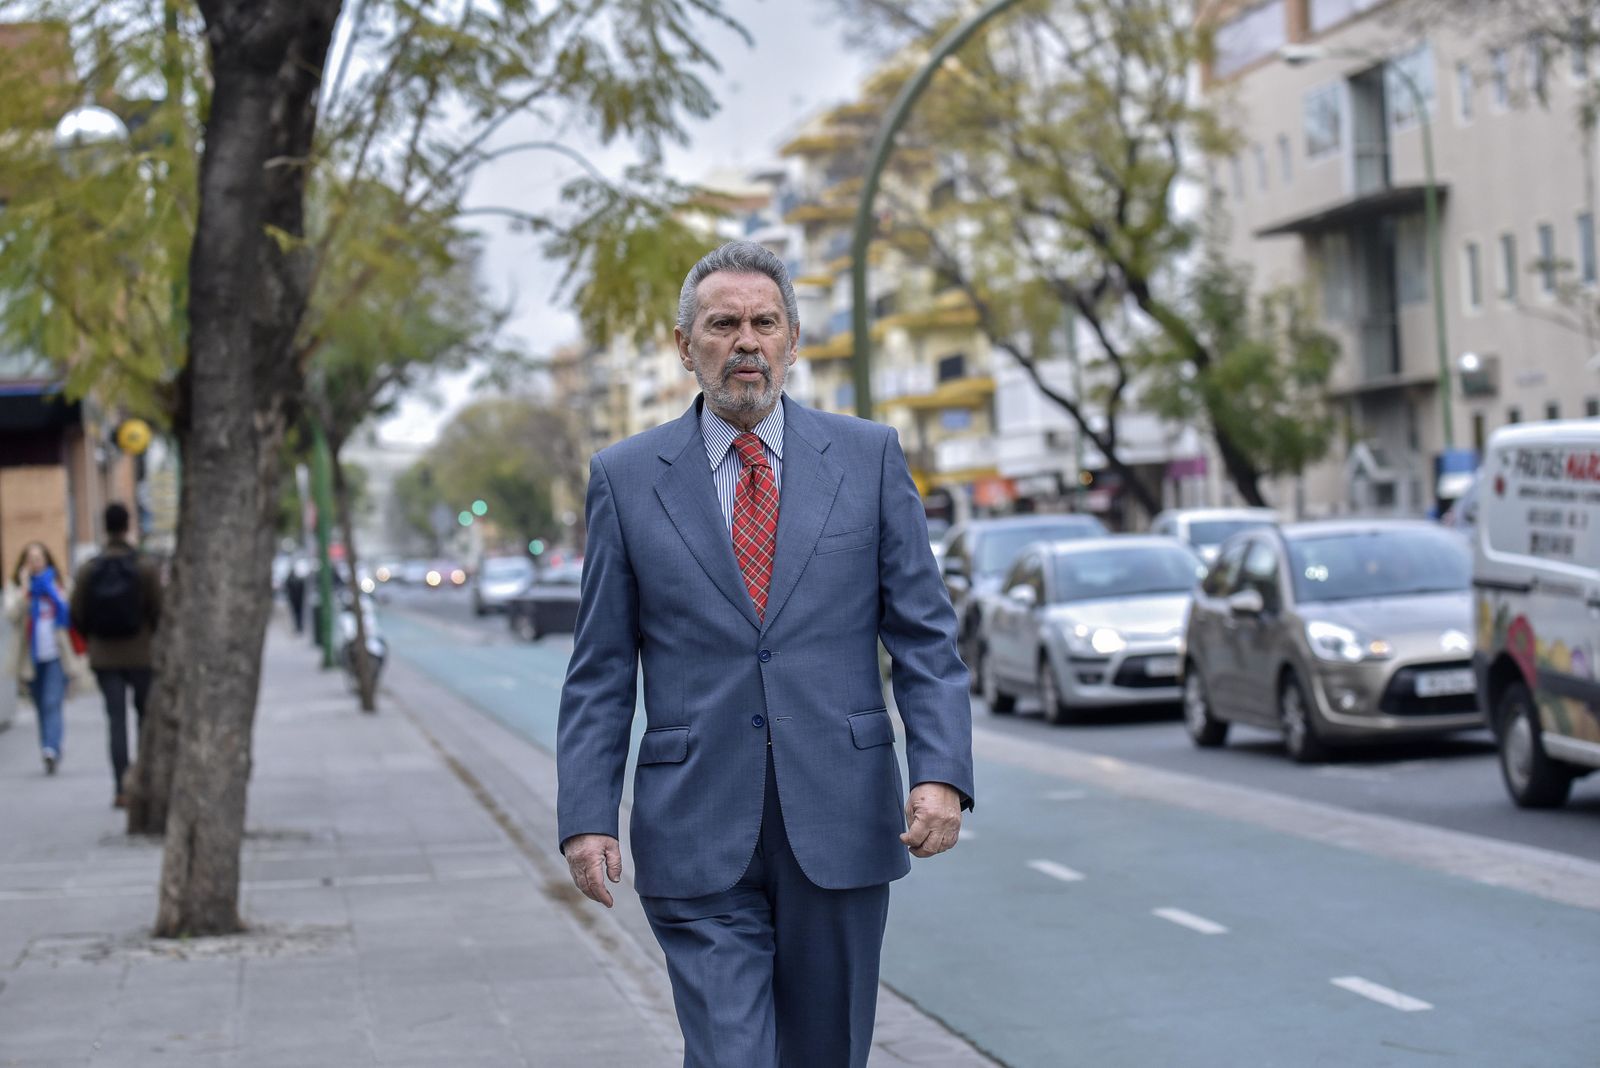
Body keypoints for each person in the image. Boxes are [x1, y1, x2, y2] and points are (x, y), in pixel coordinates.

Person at [557, 241, 974, 1067]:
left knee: (828, 1053)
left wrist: (941, 772)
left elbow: (925, 636)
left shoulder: (870, 458)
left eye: (764, 322)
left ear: (792, 341)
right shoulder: (626, 477)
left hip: (843, 818)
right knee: (731, 1055)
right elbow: (601, 670)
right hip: (696, 826)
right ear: (685, 346)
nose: (745, 341)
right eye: (723, 324)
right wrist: (586, 817)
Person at [71, 502, 163, 808]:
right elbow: (158, 610)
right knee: (145, 719)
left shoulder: (89, 568)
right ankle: (146, 782)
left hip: (104, 656)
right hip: (141, 654)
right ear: (127, 526)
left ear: (105, 528)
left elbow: (77, 612)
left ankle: (121, 787)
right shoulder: (144, 566)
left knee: (116, 721)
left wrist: (93, 640)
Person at [5, 542, 88, 774]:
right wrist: (24, 590)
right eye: (30, 559)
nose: (35, 562)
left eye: (39, 557)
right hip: (30, 658)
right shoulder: (19, 589)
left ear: (47, 560)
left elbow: (72, 612)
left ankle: (51, 748)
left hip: (56, 655)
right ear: (24, 564)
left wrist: (56, 593)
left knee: (52, 703)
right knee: (41, 705)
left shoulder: (59, 584)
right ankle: (48, 748)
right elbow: (10, 615)